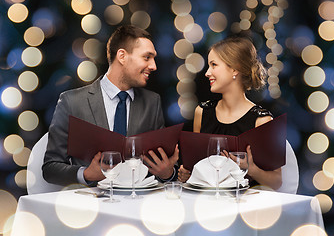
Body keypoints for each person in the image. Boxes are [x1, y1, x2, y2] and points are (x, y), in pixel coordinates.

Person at [43, 25, 178, 186]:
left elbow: (161, 164)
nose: (154, 66)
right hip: (90, 204)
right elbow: (50, 168)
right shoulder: (71, 101)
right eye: (147, 57)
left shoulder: (152, 102)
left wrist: (167, 173)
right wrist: (86, 174)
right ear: (122, 56)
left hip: (136, 202)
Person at [178, 36, 282, 190]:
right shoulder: (202, 112)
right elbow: (198, 171)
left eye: (214, 65)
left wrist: (251, 169)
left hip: (245, 207)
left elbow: (276, 182)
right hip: (207, 204)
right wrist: (188, 174)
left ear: (235, 69)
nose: (207, 73)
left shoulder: (261, 121)